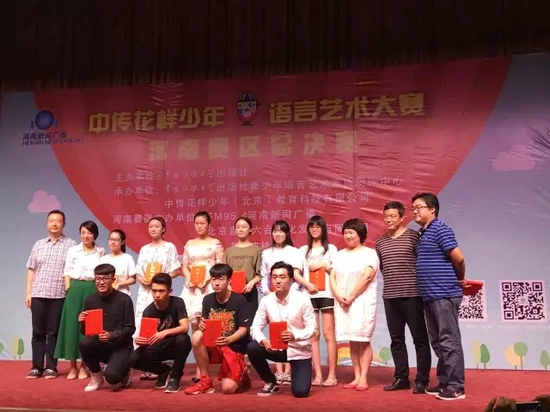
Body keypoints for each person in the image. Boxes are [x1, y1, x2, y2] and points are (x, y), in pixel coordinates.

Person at [411, 192, 467, 400]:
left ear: (432, 209)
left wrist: (460, 279)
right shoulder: (422, 233)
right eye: (413, 208)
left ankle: (456, 386)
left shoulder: (440, 229)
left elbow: (458, 258)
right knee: (438, 341)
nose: (415, 211)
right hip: (429, 295)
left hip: (444, 293)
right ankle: (444, 381)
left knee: (449, 340)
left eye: (419, 207)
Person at [375, 201, 431, 394]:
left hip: (412, 295)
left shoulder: (414, 237)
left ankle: (422, 379)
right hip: (390, 296)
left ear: (402, 217)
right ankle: (401, 378)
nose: (388, 220)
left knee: (419, 339)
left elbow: (422, 264)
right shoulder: (380, 242)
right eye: (386, 216)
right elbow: (384, 268)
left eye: (392, 216)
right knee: (396, 339)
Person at [247, 261, 317, 398]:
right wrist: (263, 341)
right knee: (252, 347)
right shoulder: (266, 301)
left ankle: (300, 375)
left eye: (282, 277)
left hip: (299, 351)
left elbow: (312, 328)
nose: (278, 281)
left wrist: (294, 335)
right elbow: (255, 327)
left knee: (300, 392)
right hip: (276, 349)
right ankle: (270, 381)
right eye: (274, 277)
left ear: (291, 280)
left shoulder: (302, 299)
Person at [184, 263, 252, 395]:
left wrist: (228, 340)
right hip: (215, 344)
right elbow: (205, 323)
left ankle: (243, 374)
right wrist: (202, 325)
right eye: (214, 279)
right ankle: (206, 382)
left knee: (228, 389)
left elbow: (243, 330)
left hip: (233, 345)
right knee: (197, 335)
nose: (216, 283)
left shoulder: (240, 300)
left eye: (221, 279)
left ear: (229, 280)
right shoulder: (207, 300)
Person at [25, 210, 77, 379]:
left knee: (53, 332)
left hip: (58, 295)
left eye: (58, 221)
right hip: (38, 293)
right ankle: (36, 367)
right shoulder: (38, 245)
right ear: (47, 223)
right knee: (38, 332)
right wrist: (28, 293)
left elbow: (72, 271)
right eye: (51, 220)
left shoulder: (71, 245)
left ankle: (51, 367)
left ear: (64, 224)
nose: (54, 224)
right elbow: (31, 270)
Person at [330, 218, 378, 391]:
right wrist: (339, 295)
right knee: (352, 341)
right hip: (342, 303)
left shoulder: (369, 253)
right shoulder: (339, 255)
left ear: (360, 234)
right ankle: (356, 376)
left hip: (361, 302)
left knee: (362, 340)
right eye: (346, 233)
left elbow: (367, 276)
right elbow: (332, 276)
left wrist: (351, 296)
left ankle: (364, 377)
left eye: (352, 232)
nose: (348, 236)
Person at [259, 220, 309, 384]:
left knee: (289, 330)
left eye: (281, 231)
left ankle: (288, 371)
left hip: (290, 297)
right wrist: (268, 293)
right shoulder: (266, 253)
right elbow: (264, 276)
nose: (278, 234)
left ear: (287, 233)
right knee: (275, 332)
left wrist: (288, 292)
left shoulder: (294, 252)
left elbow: (296, 276)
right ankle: (278, 371)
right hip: (272, 297)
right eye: (275, 231)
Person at [55, 220, 105, 380]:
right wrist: (68, 289)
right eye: (83, 233)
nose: (86, 236)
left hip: (92, 288)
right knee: (72, 326)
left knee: (89, 327)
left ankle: (84, 366)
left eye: (89, 233)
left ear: (95, 235)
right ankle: (72, 366)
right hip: (75, 289)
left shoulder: (101, 251)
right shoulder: (73, 250)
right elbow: (67, 271)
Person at [180, 211, 224, 383]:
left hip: (209, 286)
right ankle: (200, 368)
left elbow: (220, 265)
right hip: (193, 288)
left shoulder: (215, 243)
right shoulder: (189, 243)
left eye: (202, 223)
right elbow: (185, 265)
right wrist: (190, 279)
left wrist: (208, 279)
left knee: (209, 326)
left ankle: (214, 367)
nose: (199, 226)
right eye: (196, 223)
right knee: (194, 326)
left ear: (209, 224)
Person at [129, 273, 192, 394]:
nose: (157, 295)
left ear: (170, 291)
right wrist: (140, 340)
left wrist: (165, 332)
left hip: (175, 344)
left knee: (183, 339)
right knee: (133, 359)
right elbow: (147, 336)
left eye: (161, 291)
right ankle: (163, 371)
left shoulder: (178, 302)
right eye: (154, 291)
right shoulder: (148, 311)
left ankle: (175, 377)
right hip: (158, 346)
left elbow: (184, 327)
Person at [134, 216, 180, 380]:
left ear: (163, 229)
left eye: (157, 226)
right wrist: (143, 280)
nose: (153, 229)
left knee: (162, 325)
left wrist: (161, 280)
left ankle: (161, 364)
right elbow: (138, 270)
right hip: (146, 292)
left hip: (161, 291)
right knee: (144, 325)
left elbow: (176, 270)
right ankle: (148, 364)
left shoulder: (169, 247)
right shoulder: (144, 249)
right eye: (151, 226)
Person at [78, 263, 135, 392]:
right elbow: (86, 332)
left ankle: (125, 371)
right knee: (84, 343)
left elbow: (131, 328)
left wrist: (111, 335)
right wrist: (83, 323)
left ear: (113, 280)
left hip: (121, 346)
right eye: (98, 279)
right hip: (100, 344)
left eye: (105, 278)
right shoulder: (90, 300)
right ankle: (96, 376)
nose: (101, 282)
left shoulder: (124, 300)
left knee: (112, 378)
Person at [299, 215, 338, 387]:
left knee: (329, 335)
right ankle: (318, 375)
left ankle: (332, 375)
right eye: (311, 227)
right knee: (313, 336)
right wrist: (307, 284)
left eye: (317, 226)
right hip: (309, 295)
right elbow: (296, 273)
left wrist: (323, 265)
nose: (314, 229)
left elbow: (336, 270)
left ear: (323, 229)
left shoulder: (331, 249)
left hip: (327, 293)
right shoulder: (303, 250)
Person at [224, 216, 262, 314]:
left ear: (250, 229)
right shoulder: (228, 251)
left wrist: (251, 283)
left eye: (244, 227)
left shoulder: (257, 250)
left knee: (250, 320)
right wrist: (228, 286)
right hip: (231, 291)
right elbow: (224, 273)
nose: (241, 230)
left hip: (249, 291)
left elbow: (259, 274)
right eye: (238, 227)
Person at [99, 229, 136, 296]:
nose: (113, 242)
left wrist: (120, 284)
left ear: (123, 242)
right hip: (105, 295)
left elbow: (133, 279)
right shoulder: (103, 259)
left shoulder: (127, 258)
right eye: (111, 239)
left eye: (116, 240)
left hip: (122, 294)